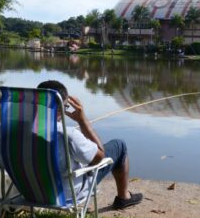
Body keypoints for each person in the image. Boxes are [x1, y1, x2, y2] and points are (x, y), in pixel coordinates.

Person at [37, 80, 143, 210]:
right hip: (65, 194)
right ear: (62, 108)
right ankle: (124, 197)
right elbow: (99, 156)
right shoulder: (68, 134)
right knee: (119, 146)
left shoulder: (12, 130)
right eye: (65, 106)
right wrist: (82, 121)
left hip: (30, 191)